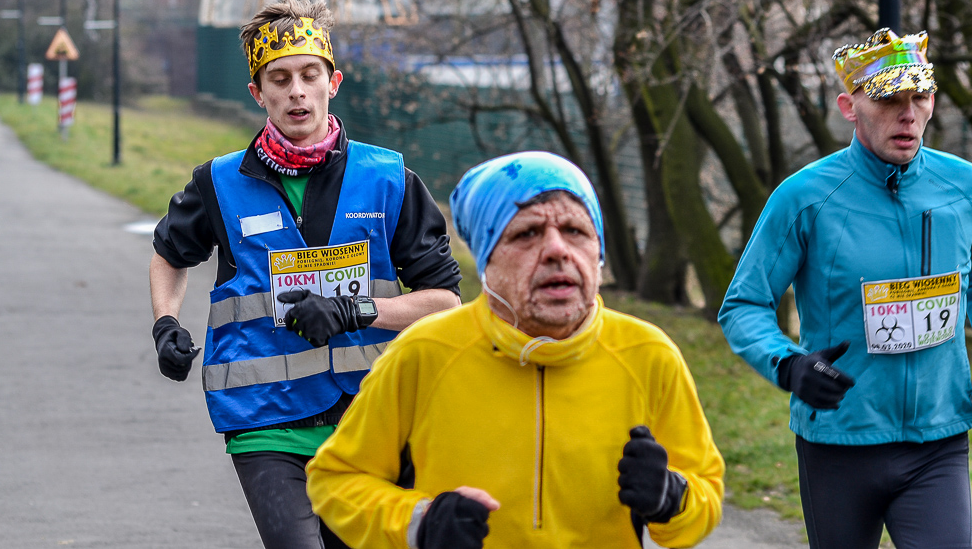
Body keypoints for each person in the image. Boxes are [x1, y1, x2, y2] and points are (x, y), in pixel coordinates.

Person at [148, 0, 462, 549]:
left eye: (309, 74)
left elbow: (444, 302)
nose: (296, 91)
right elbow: (170, 254)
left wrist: (356, 310)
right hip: (265, 419)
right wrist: (165, 323)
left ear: (332, 81)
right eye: (280, 77)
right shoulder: (218, 184)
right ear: (258, 93)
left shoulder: (389, 179)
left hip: (370, 416)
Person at [305, 150, 725, 549]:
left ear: (598, 253)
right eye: (527, 233)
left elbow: (705, 492)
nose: (558, 250)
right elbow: (335, 481)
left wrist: (673, 497)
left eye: (576, 231)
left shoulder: (648, 354)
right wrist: (419, 522)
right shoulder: (424, 353)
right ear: (487, 261)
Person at [719, 28, 972, 549]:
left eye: (918, 96)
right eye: (887, 99)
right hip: (838, 441)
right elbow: (744, 303)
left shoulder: (962, 187)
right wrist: (788, 364)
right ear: (849, 107)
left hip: (939, 442)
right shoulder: (804, 197)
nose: (907, 114)